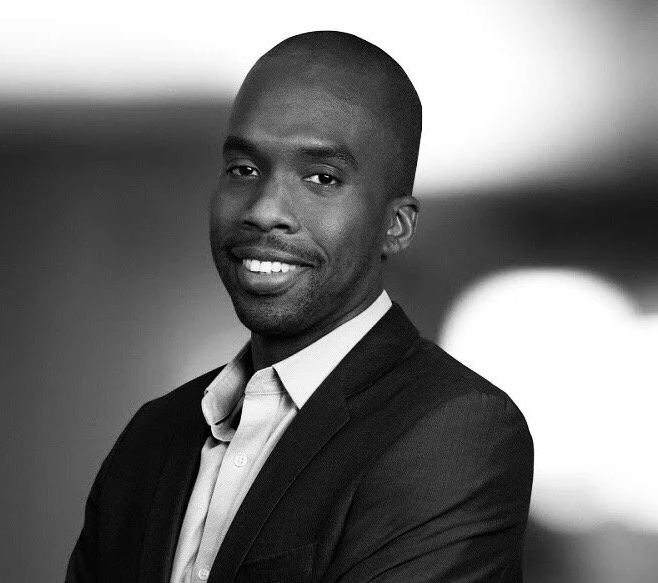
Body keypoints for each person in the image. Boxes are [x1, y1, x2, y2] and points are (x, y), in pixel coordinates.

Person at [66, 31, 533, 583]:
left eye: (321, 178)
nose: (264, 210)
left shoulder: (453, 430)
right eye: (244, 169)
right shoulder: (151, 438)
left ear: (396, 225)